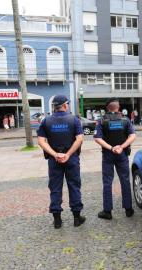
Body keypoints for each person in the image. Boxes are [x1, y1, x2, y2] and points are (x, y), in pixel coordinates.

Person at [37, 95, 86, 229]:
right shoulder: (74, 120)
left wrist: (55, 154)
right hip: (72, 159)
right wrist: (68, 154)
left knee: (55, 188)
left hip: (54, 160)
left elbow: (41, 141)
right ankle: (77, 218)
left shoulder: (46, 120)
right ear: (65, 105)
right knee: (74, 186)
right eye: (68, 104)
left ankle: (57, 220)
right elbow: (79, 139)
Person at [94, 98, 136, 220]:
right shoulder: (125, 120)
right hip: (122, 154)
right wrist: (121, 147)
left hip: (108, 154)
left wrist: (111, 148)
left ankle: (107, 211)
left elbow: (97, 138)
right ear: (118, 108)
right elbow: (132, 136)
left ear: (108, 108)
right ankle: (128, 209)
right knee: (125, 180)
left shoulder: (102, 121)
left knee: (107, 182)